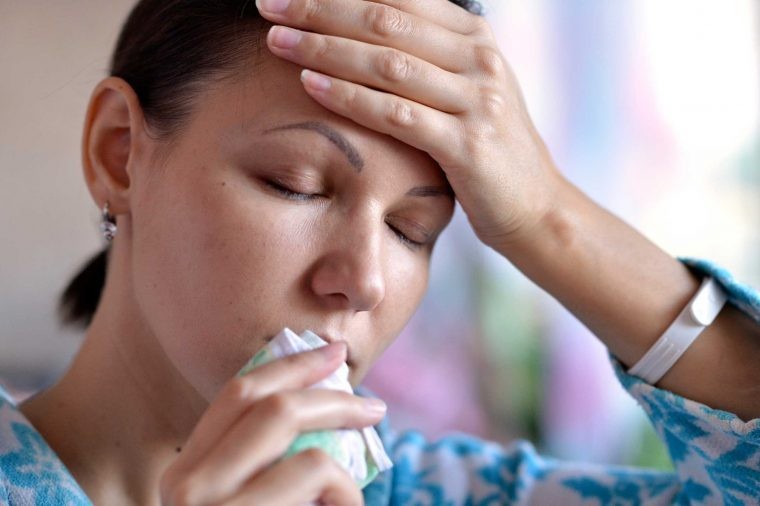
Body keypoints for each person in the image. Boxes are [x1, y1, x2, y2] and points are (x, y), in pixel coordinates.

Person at [1, 0, 758, 504]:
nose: (363, 281)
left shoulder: (434, 492)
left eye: (412, 231)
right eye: (296, 185)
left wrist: (549, 217)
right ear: (120, 152)